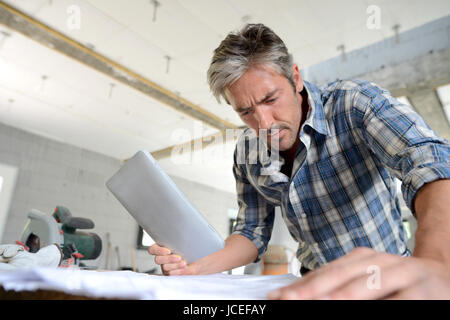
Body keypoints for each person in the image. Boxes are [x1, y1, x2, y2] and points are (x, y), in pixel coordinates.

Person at [149, 24, 450, 299]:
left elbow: (429, 161)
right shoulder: (246, 152)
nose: (264, 123)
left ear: (295, 77)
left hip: (386, 281)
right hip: (313, 285)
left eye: (270, 99)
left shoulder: (354, 104)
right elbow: (251, 233)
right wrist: (194, 269)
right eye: (245, 111)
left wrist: (435, 262)